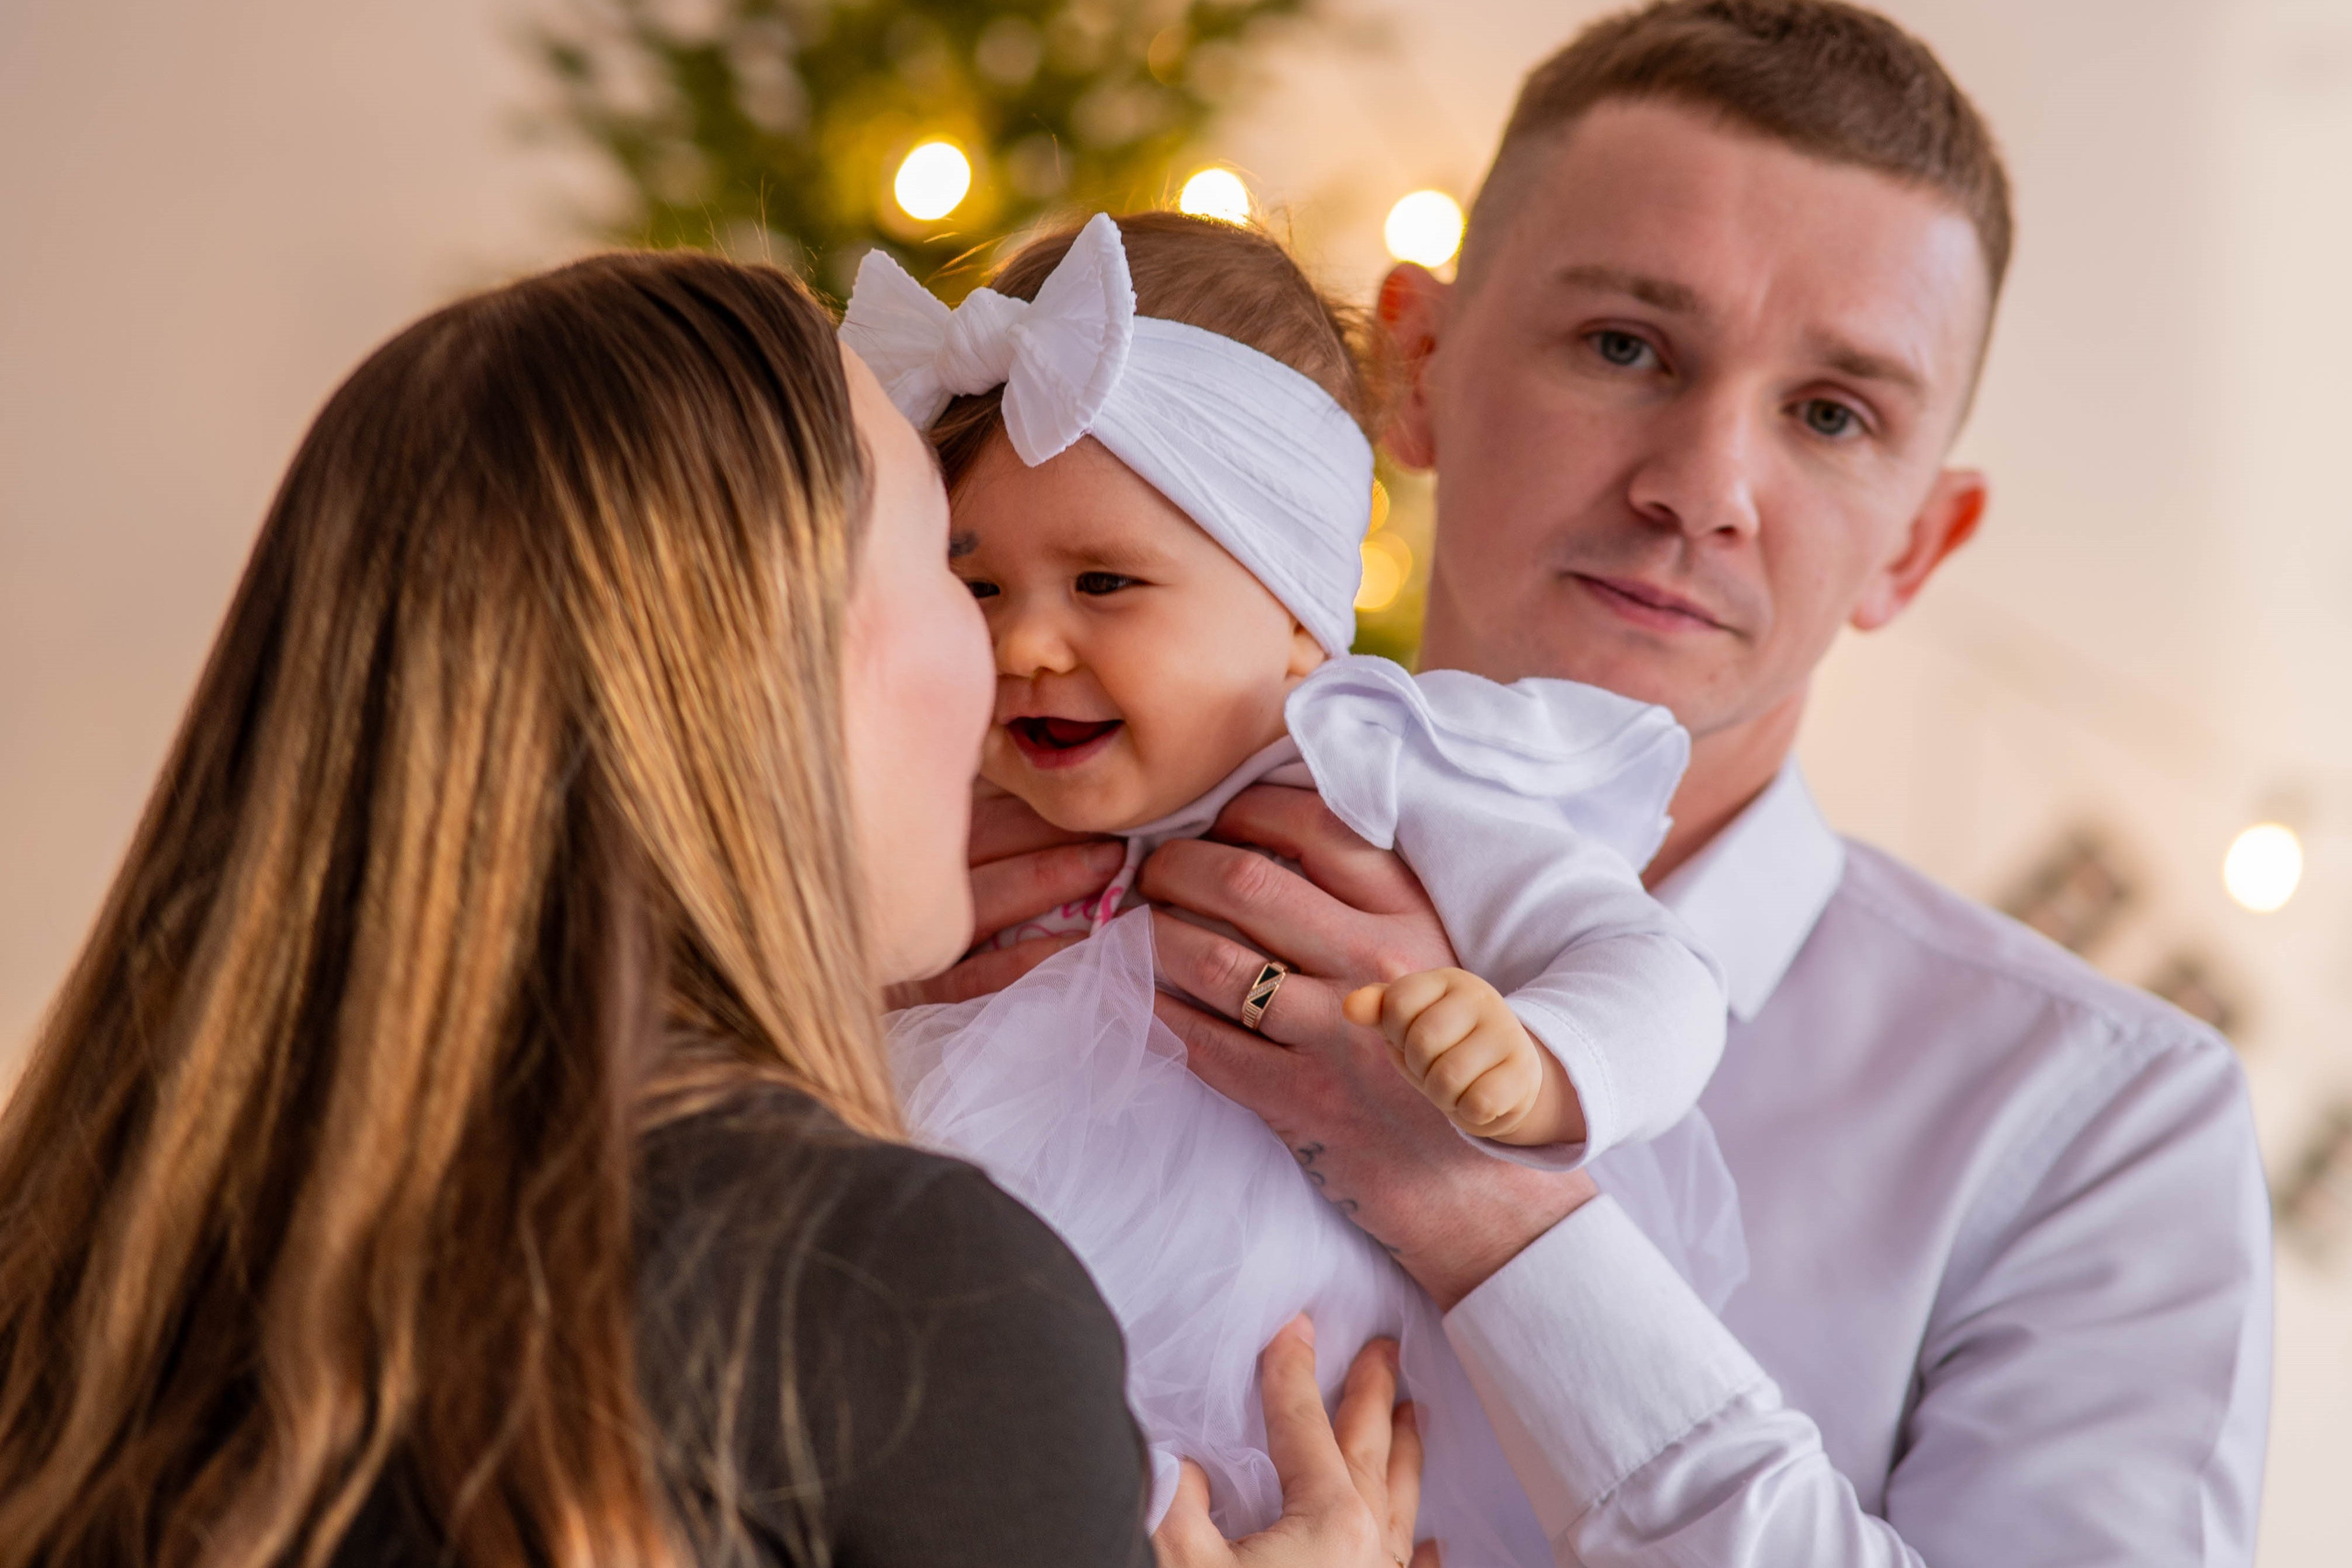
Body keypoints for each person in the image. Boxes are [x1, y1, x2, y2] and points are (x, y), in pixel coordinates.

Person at [913, 3, 2274, 1563]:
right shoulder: (954, 863)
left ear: (1918, 542)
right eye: (1625, 346)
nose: (1699, 487)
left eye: (1832, 415)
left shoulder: (2104, 1129)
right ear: (1414, 369)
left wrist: (1486, 1211)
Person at [0, 250, 1428, 1568]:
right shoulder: (904, 1300)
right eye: (950, 564)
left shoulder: (100, 1243)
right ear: (771, 668)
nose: (1009, 659)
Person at [843, 209, 1739, 1562]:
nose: (1025, 641)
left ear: (1295, 617)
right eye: (975, 586)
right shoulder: (941, 810)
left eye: (1103, 581)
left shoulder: (1378, 775)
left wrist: (1543, 1059)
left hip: (1263, 1424)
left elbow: (1651, 969)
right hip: (959, 1393)